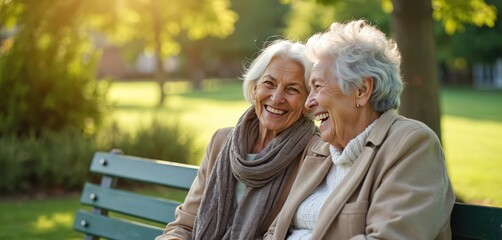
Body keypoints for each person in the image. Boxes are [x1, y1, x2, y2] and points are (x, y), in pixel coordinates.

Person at [264, 20, 455, 239]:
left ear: (362, 91)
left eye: (317, 86)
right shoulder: (320, 150)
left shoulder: (411, 145)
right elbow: (275, 230)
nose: (308, 103)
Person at [155, 39, 320, 240]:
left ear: (307, 102)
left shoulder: (313, 153)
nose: (277, 98)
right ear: (254, 88)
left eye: (292, 89)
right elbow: (185, 224)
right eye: (269, 83)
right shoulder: (221, 141)